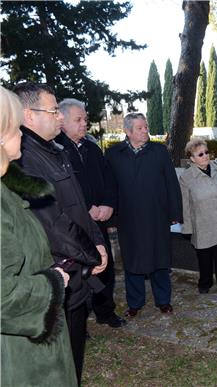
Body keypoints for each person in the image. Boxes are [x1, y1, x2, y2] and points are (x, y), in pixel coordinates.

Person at [13, 82, 107, 384]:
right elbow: (53, 222)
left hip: (77, 271)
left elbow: (78, 203)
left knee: (73, 357)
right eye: (53, 111)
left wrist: (96, 240)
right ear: (29, 115)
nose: (59, 118)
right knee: (57, 368)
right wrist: (91, 254)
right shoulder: (24, 158)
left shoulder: (56, 150)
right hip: (57, 274)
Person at [0, 86, 77, 386]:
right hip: (19, 362)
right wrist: (53, 283)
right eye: (15, 127)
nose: (22, 133)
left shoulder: (9, 187)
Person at [55, 98, 126, 329]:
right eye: (79, 119)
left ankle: (105, 311)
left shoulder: (92, 148)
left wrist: (107, 205)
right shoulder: (56, 151)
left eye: (85, 119)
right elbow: (61, 191)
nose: (84, 123)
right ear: (62, 121)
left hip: (100, 222)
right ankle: (79, 321)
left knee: (104, 267)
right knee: (78, 272)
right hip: (74, 224)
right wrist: (86, 209)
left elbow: (110, 180)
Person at [105, 113, 182, 317]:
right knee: (133, 262)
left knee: (160, 259)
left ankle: (163, 300)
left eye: (145, 127)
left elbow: (171, 183)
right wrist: (111, 219)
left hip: (157, 216)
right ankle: (135, 303)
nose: (145, 131)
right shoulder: (114, 154)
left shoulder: (159, 151)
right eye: (140, 128)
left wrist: (175, 212)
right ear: (128, 131)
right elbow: (109, 188)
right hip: (128, 219)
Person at [179, 138, 217, 294]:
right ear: (192, 158)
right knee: (204, 255)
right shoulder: (186, 177)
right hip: (202, 222)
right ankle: (205, 282)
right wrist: (187, 228)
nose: (205, 156)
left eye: (206, 152)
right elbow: (185, 204)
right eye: (200, 154)